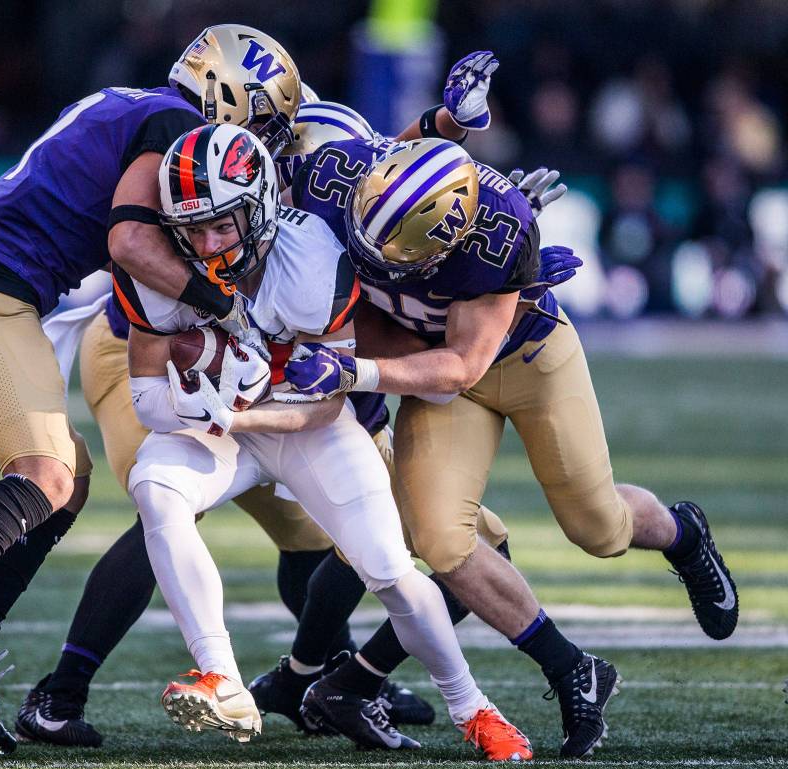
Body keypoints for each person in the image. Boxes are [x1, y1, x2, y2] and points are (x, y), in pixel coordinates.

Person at [0, 23, 301, 754]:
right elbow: (127, 241)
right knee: (45, 474)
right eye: (263, 116)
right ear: (229, 95)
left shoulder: (137, 102)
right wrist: (226, 308)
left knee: (72, 480)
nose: (260, 139)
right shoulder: (171, 123)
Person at [275, 132, 737, 758]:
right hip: (429, 373)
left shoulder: (501, 233)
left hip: (523, 358)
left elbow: (463, 365)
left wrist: (354, 369)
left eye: (399, 248)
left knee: (597, 527)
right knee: (441, 539)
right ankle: (570, 669)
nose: (372, 252)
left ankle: (682, 532)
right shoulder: (332, 171)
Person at [112, 122, 533, 760]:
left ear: (259, 209)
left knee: (390, 569)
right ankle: (221, 676)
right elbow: (146, 398)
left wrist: (240, 414)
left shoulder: (309, 259)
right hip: (217, 426)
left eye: (221, 225)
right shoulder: (157, 266)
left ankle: (473, 707)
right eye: (190, 230)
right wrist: (195, 406)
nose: (204, 243)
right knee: (155, 488)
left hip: (297, 421)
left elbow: (325, 405)